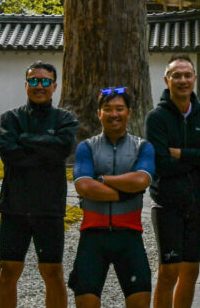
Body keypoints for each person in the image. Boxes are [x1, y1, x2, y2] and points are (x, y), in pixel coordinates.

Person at [0, 61, 79, 308]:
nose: (39, 86)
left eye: (45, 81)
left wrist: (25, 142)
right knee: (8, 271)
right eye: (33, 81)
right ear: (25, 85)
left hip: (49, 208)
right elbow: (9, 154)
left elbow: (63, 149)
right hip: (14, 207)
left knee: (53, 272)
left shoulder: (65, 119)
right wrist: (46, 145)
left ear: (54, 86)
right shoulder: (10, 118)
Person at [69, 87, 157, 308]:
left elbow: (141, 181)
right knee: (85, 301)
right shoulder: (86, 147)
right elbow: (83, 186)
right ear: (99, 113)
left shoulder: (142, 147)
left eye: (120, 108)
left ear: (129, 112)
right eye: (107, 109)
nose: (114, 114)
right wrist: (126, 193)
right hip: (92, 235)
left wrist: (102, 179)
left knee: (140, 301)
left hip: (129, 235)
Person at [146, 55, 200, 308]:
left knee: (191, 271)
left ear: (195, 79)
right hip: (167, 204)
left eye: (187, 75)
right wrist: (198, 159)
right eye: (176, 75)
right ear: (167, 80)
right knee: (168, 271)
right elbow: (162, 164)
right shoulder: (156, 117)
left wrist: (182, 153)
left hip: (196, 201)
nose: (182, 80)